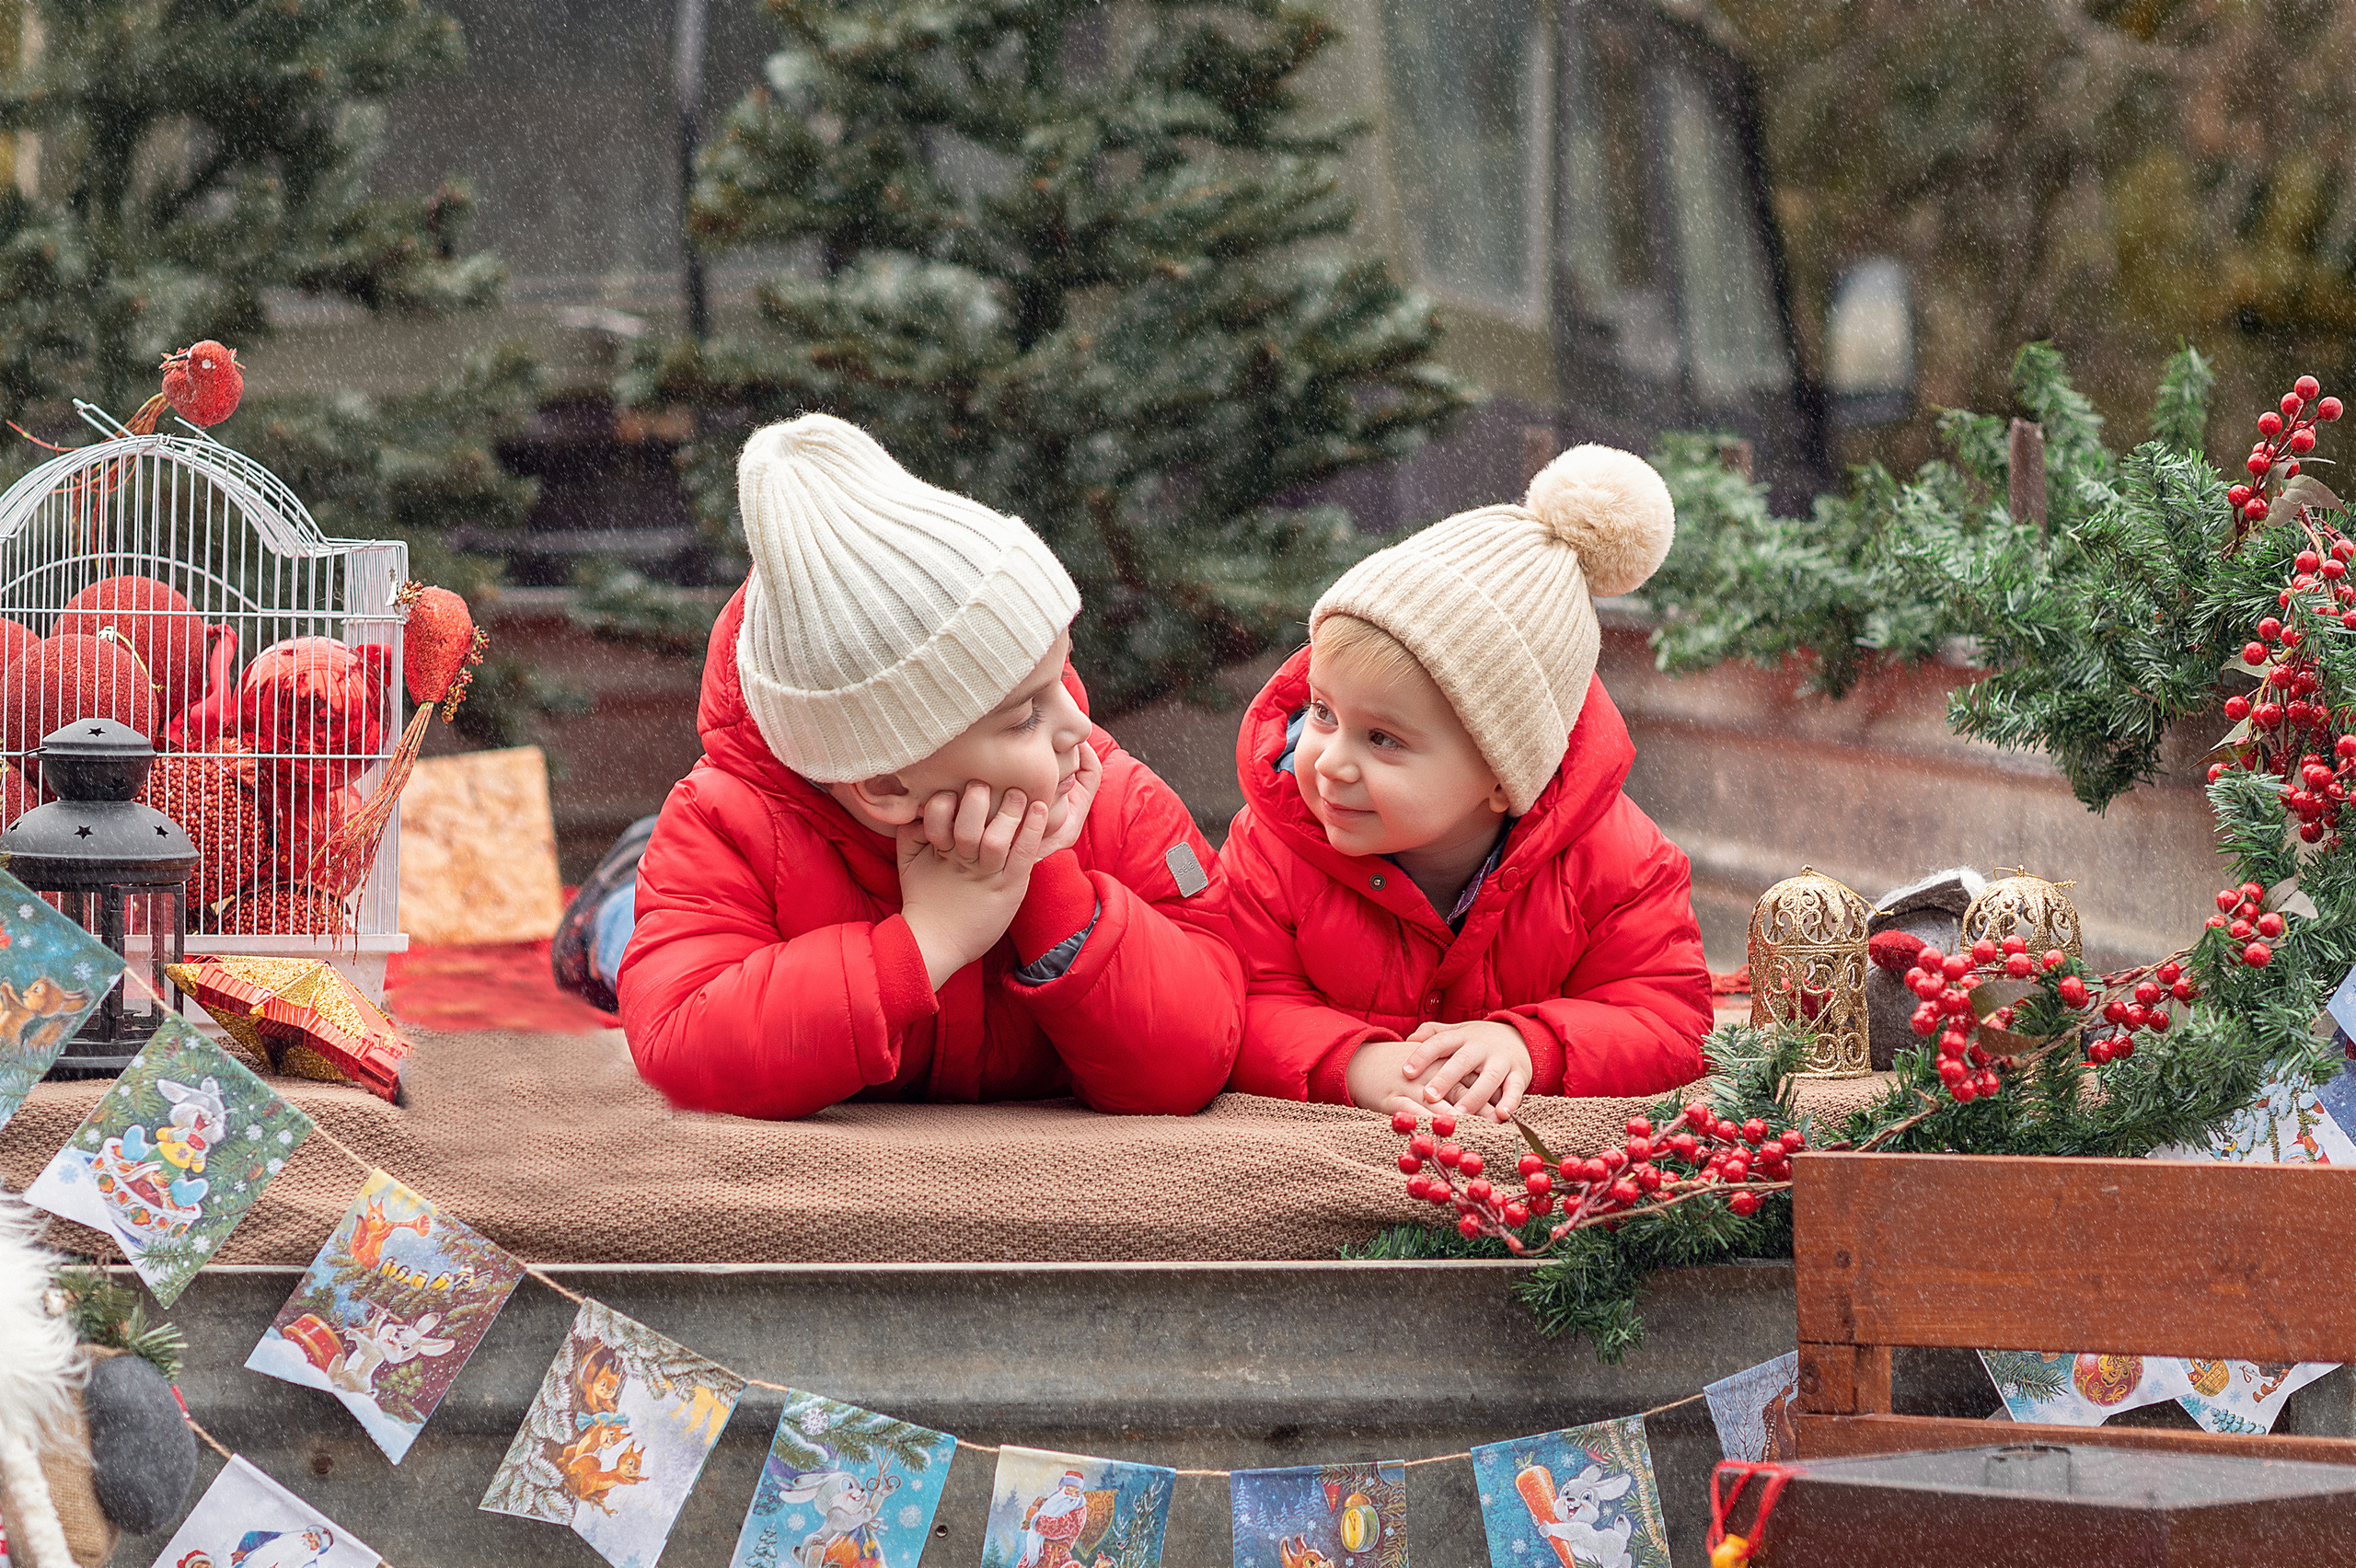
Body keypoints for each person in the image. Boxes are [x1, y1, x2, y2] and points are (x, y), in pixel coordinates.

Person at [615, 413, 1242, 1120]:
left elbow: (1198, 1058)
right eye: (1025, 714)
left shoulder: (1115, 801)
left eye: (1061, 676)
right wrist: (927, 941)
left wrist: (1046, 886)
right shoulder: (727, 825)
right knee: (614, 941)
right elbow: (683, 1049)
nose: (1080, 728)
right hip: (696, 885)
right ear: (884, 781)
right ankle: (612, 899)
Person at [1220, 444, 1712, 1122]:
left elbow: (1670, 1021)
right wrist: (1351, 1061)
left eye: (1382, 738)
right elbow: (1233, 1004)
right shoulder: (1274, 847)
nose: (1327, 760)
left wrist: (1529, 1043)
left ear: (1506, 776)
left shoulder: (1620, 864)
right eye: (1323, 712)